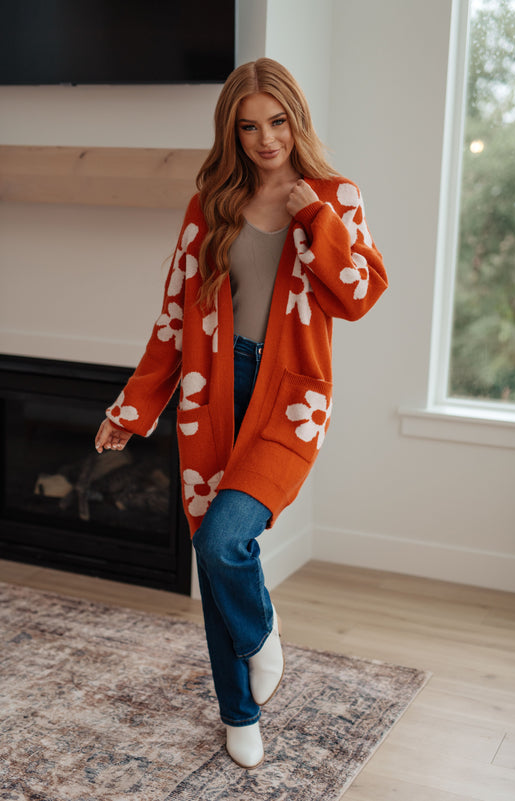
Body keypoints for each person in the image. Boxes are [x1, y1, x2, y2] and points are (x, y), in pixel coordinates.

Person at [95, 57, 388, 769]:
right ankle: (237, 712)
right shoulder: (208, 207)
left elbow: (359, 293)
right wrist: (133, 409)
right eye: (249, 126)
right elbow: (173, 320)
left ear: (296, 120)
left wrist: (312, 216)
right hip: (209, 392)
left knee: (227, 540)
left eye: (277, 122)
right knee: (210, 548)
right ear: (231, 131)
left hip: (289, 396)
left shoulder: (331, 196)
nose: (265, 139)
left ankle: (259, 638)